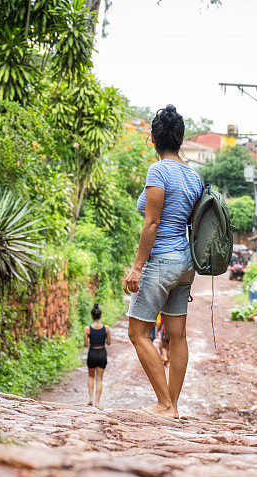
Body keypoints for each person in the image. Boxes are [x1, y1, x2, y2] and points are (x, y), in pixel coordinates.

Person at [123, 104, 203, 419]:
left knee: (137, 333)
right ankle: (173, 406)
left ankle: (164, 403)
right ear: (181, 138)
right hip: (186, 263)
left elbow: (152, 224)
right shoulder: (193, 176)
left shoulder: (158, 170)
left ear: (155, 138)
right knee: (177, 335)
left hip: (161, 261)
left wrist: (137, 267)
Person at [83, 303, 111, 408]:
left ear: (91, 316)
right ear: (101, 316)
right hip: (102, 353)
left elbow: (86, 344)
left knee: (91, 376)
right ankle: (97, 403)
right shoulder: (106, 328)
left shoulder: (87, 329)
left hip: (92, 353)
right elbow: (108, 343)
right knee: (99, 379)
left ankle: (90, 399)